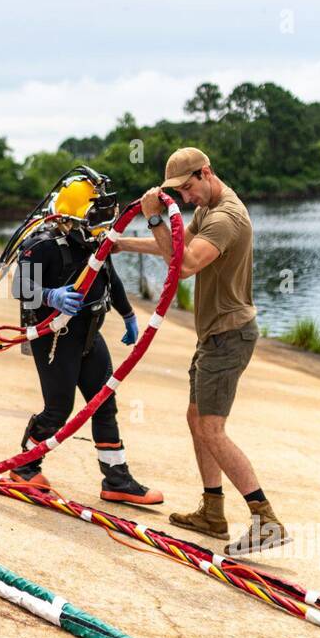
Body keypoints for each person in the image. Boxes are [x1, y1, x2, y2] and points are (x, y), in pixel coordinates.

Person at [113, 147, 290, 554]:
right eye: (178, 192)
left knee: (212, 428)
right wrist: (120, 243)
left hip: (230, 336)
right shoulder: (206, 211)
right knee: (196, 420)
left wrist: (155, 215)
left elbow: (185, 264)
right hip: (214, 335)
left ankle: (266, 519)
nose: (185, 197)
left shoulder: (227, 216)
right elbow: (171, 247)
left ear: (205, 173)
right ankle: (213, 511)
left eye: (188, 188)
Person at [12, 173, 163, 506]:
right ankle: (24, 467)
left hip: (90, 335)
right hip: (55, 337)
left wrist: (127, 315)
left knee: (104, 404)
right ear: (77, 214)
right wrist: (49, 295)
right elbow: (20, 288)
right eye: (97, 214)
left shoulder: (95, 242)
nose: (103, 222)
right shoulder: (41, 245)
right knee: (58, 409)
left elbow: (110, 278)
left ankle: (117, 480)